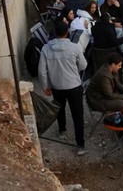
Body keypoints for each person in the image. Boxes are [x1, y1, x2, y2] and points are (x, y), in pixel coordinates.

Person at [38, 20, 88, 156]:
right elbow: (83, 65)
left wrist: (45, 86)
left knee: (59, 108)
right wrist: (74, 71)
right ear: (67, 33)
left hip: (56, 86)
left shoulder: (46, 49)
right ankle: (80, 144)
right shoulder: (75, 47)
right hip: (73, 85)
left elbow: (42, 70)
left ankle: (62, 130)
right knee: (77, 114)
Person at [86, 53, 123, 118]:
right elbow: (109, 95)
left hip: (106, 93)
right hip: (98, 100)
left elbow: (117, 83)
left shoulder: (111, 69)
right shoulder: (104, 76)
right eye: (119, 65)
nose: (120, 67)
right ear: (113, 64)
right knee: (122, 104)